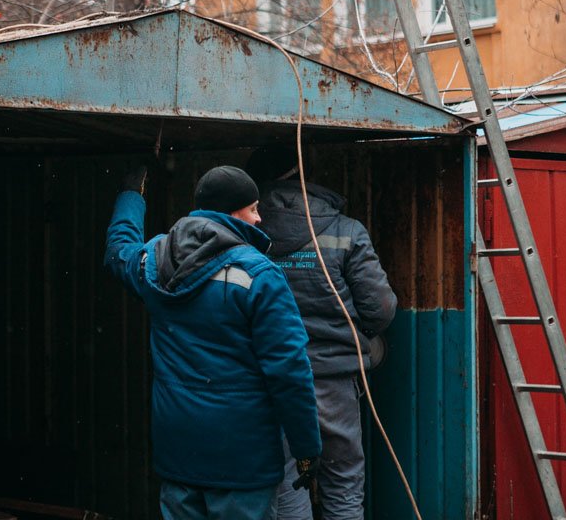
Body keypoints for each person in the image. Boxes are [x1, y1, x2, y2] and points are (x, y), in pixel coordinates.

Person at [104, 164, 322, 520]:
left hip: (179, 455)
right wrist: (307, 448)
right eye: (253, 208)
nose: (259, 219)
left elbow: (118, 252)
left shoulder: (155, 261)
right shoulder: (260, 275)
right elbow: (290, 371)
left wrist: (131, 195)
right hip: (242, 463)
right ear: (232, 212)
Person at [247, 148, 398, 520]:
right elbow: (381, 310)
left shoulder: (245, 232)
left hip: (270, 380)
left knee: (284, 481)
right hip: (333, 382)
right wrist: (357, 340)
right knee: (343, 479)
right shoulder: (346, 231)